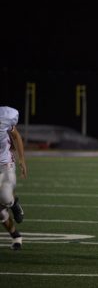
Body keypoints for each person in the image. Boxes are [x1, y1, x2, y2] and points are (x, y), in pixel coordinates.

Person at [0, 106, 26, 250]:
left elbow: (16, 135)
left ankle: (14, 202)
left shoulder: (5, 116)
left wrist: (22, 160)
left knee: (5, 198)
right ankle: (16, 236)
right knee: (0, 212)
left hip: (5, 164)